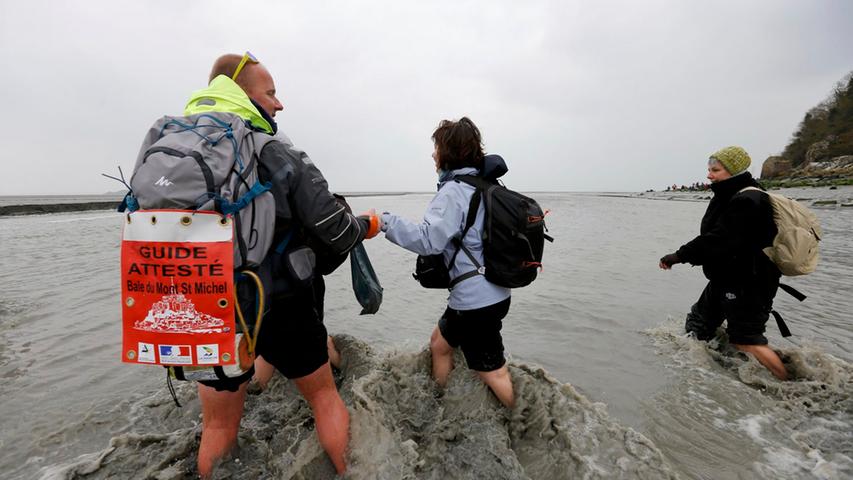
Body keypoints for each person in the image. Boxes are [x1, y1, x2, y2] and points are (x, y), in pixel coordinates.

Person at [188, 52, 381, 477]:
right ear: (245, 97)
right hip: (278, 302)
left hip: (203, 307)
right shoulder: (274, 150)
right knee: (325, 399)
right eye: (271, 93)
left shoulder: (184, 154)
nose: (279, 104)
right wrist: (366, 226)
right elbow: (335, 228)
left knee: (217, 425)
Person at [379, 117, 515, 408]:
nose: (433, 154)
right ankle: (440, 402)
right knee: (440, 345)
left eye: (436, 147)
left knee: (492, 371)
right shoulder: (482, 184)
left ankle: (524, 423)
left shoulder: (454, 191)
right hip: (495, 291)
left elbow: (429, 240)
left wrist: (384, 222)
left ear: (448, 151)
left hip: (476, 301)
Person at [659, 146, 787, 380]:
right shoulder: (729, 194)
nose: (709, 175)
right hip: (726, 277)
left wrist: (678, 256)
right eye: (709, 169)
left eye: (715, 170)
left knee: (746, 340)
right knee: (698, 326)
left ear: (734, 171)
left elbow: (718, 240)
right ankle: (703, 380)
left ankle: (790, 386)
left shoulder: (748, 199)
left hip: (749, 281)